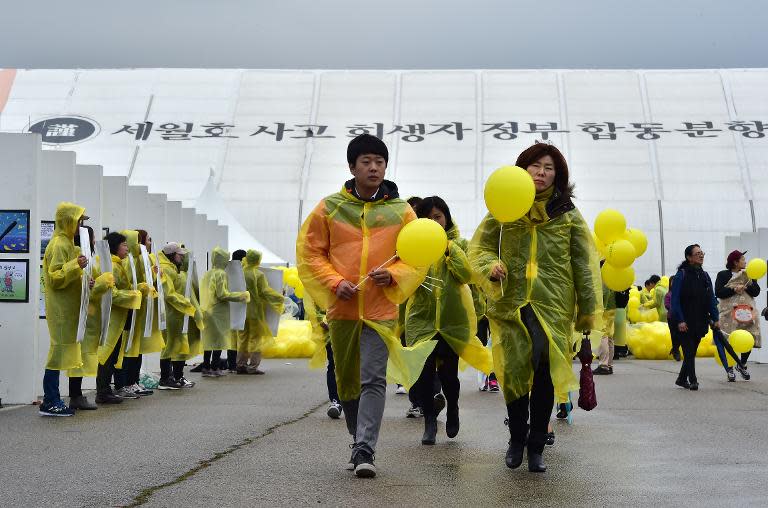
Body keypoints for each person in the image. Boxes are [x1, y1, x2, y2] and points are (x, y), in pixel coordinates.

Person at [296, 134, 433, 478]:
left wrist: (394, 275)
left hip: (380, 311)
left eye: (380, 162)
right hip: (342, 310)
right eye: (366, 162)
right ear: (352, 167)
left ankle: (364, 448)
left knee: (373, 379)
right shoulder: (329, 208)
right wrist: (333, 282)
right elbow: (311, 253)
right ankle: (357, 436)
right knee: (348, 382)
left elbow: (414, 258)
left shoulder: (401, 211)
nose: (374, 167)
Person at [469, 143, 601, 473]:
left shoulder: (566, 213)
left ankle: (537, 444)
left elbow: (584, 263)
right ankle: (516, 439)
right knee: (513, 371)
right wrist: (491, 265)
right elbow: (478, 248)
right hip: (511, 303)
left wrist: (587, 309)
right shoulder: (504, 207)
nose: (540, 173)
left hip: (552, 304)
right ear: (522, 169)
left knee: (543, 368)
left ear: (559, 175)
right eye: (534, 166)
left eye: (548, 168)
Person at [407, 196, 492, 445]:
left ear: (446, 218)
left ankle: (452, 405)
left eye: (438, 217)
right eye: (427, 217)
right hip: (421, 322)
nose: (433, 222)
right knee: (422, 378)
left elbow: (466, 275)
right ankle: (430, 421)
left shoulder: (458, 245)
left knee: (448, 376)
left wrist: (448, 250)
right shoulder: (412, 245)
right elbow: (403, 280)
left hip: (450, 324)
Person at [40, 203, 89, 416]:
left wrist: (86, 280)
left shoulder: (68, 243)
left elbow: (67, 276)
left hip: (68, 309)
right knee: (57, 354)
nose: (81, 225)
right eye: (79, 220)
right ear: (68, 221)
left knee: (61, 353)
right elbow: (55, 277)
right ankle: (50, 400)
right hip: (60, 310)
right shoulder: (59, 244)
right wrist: (75, 266)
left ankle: (53, 399)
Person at [67, 225, 114, 410]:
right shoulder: (79, 255)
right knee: (77, 355)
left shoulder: (84, 256)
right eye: (93, 237)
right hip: (80, 314)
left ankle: (76, 395)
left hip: (86, 315)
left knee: (80, 355)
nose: (95, 241)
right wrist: (103, 282)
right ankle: (75, 395)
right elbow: (83, 283)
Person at [94, 232, 143, 404]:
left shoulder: (117, 264)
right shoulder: (112, 266)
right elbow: (112, 294)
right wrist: (135, 294)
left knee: (112, 354)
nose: (127, 247)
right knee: (107, 354)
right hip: (111, 317)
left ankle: (106, 389)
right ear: (115, 246)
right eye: (123, 244)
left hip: (118, 317)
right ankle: (103, 391)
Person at [670, 244, 719, 391]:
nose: (701, 255)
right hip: (684, 320)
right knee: (689, 352)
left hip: (700, 320)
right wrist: (680, 320)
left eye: (702, 253)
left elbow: (711, 298)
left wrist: (715, 318)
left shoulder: (704, 275)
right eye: (697, 253)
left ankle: (681, 379)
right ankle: (693, 380)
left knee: (691, 352)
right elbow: (675, 300)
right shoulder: (681, 275)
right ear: (689, 257)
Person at [115, 230, 157, 398]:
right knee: (126, 351)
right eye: (143, 240)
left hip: (137, 310)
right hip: (129, 311)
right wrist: (140, 288)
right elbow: (128, 286)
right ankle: (124, 384)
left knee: (135, 350)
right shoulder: (127, 262)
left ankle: (132, 382)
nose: (146, 244)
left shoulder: (137, 260)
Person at [201, 247, 250, 377]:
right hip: (218, 311)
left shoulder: (208, 273)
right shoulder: (221, 274)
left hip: (207, 309)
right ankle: (215, 367)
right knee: (219, 340)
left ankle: (206, 367)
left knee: (209, 340)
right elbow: (222, 294)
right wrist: (241, 296)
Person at [158, 242, 201, 389]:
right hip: (171, 313)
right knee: (169, 347)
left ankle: (175, 377)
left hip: (178, 313)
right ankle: (166, 379)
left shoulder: (173, 270)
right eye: (179, 254)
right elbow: (169, 294)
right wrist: (185, 303)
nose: (182, 257)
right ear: (172, 255)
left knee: (177, 346)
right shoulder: (166, 269)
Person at [715, 250, 761, 381]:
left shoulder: (749, 274)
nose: (745, 262)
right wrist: (733, 288)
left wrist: (746, 286)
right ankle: (729, 368)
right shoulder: (723, 275)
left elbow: (756, 291)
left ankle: (742, 364)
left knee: (749, 336)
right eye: (742, 259)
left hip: (746, 313)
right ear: (735, 262)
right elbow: (718, 292)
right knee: (726, 339)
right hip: (728, 313)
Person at [237, 249, 284, 375]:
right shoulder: (258, 274)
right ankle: (253, 366)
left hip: (241, 311)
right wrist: (280, 297)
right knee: (255, 338)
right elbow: (265, 291)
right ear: (257, 259)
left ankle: (240, 365)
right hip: (255, 311)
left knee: (242, 338)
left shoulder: (240, 272)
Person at [305, 295, 343, 419]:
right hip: (330, 332)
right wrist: (322, 321)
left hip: (351, 327)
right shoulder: (322, 281)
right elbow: (313, 307)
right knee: (333, 364)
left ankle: (353, 401)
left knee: (353, 366)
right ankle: (335, 401)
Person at [666, 275, 682, 361]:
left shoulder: (681, 293)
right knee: (674, 334)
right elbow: (667, 305)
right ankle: (676, 351)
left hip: (681, 318)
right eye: (672, 282)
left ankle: (674, 349)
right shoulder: (668, 294)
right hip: (671, 317)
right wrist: (675, 308)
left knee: (680, 334)